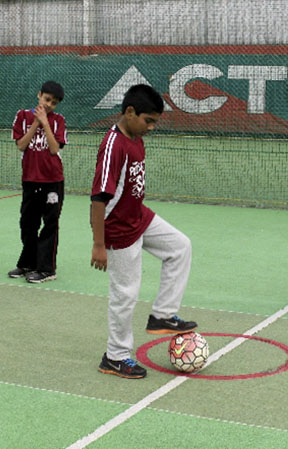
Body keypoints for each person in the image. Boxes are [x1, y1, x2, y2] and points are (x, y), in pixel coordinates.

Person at [90, 84, 197, 379]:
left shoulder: (136, 137)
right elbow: (99, 198)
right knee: (125, 293)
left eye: (154, 122)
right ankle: (115, 356)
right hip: (118, 228)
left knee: (180, 246)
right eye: (148, 121)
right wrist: (99, 244)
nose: (151, 127)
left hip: (138, 216)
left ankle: (162, 315)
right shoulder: (114, 145)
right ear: (129, 112)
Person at [8, 81, 68, 283]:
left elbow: (53, 149)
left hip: (52, 182)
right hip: (30, 180)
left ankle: (47, 269)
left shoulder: (59, 120)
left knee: (49, 224)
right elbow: (21, 145)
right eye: (47, 99)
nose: (49, 104)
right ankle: (28, 263)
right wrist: (36, 122)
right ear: (39, 95)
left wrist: (45, 122)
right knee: (27, 223)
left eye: (54, 102)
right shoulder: (22, 116)